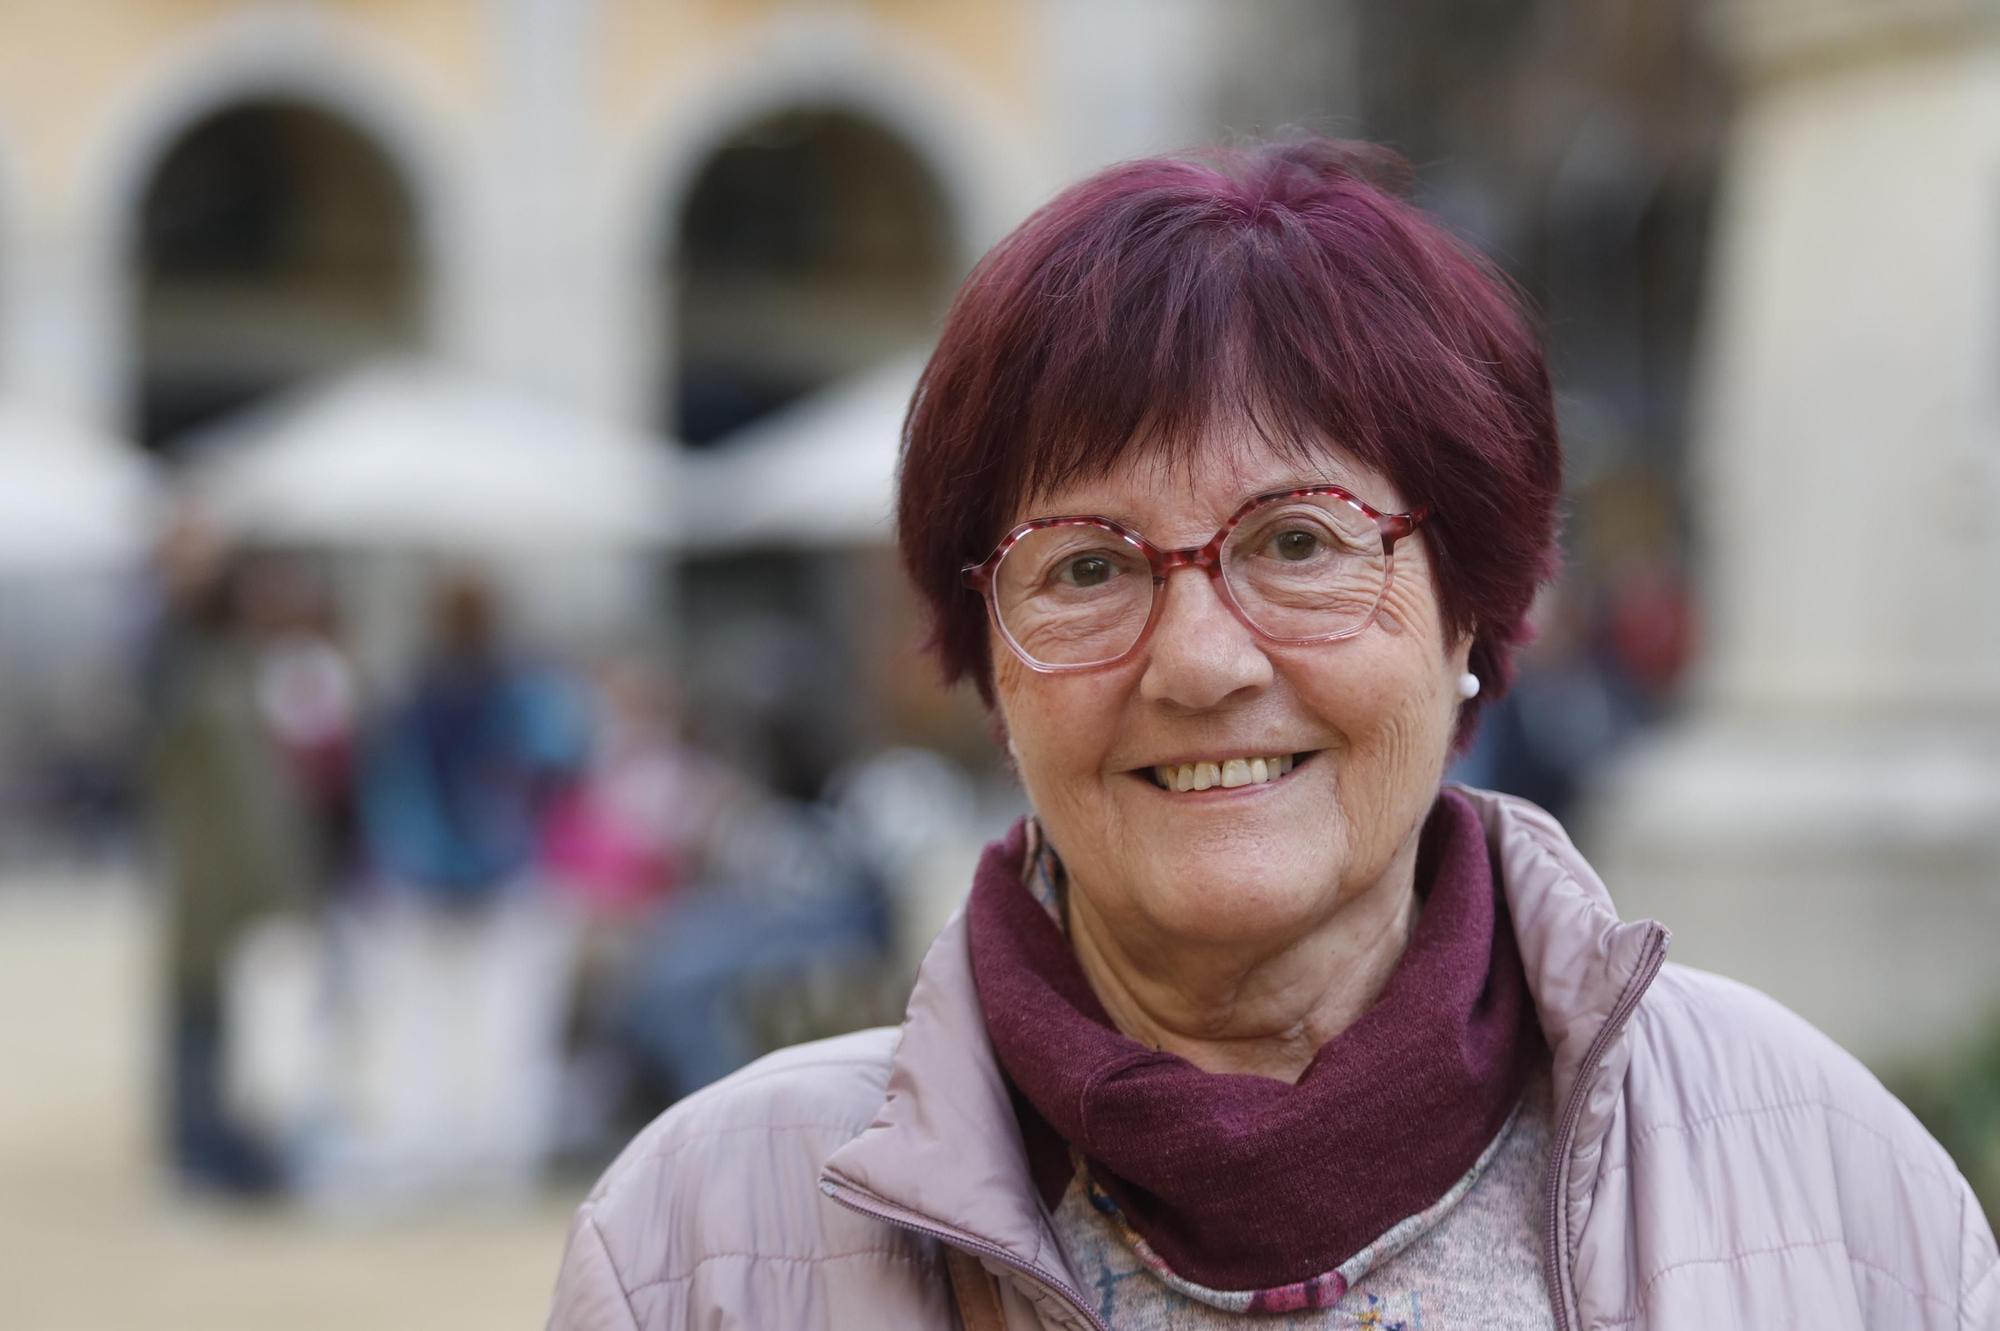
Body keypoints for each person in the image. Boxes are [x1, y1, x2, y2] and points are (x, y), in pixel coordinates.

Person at [548, 140, 1999, 1329]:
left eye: (1301, 543)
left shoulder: (1825, 1175)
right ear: (991, 667)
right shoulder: (707, 1243)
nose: (1199, 661)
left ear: (1467, 620)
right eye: (1090, 567)